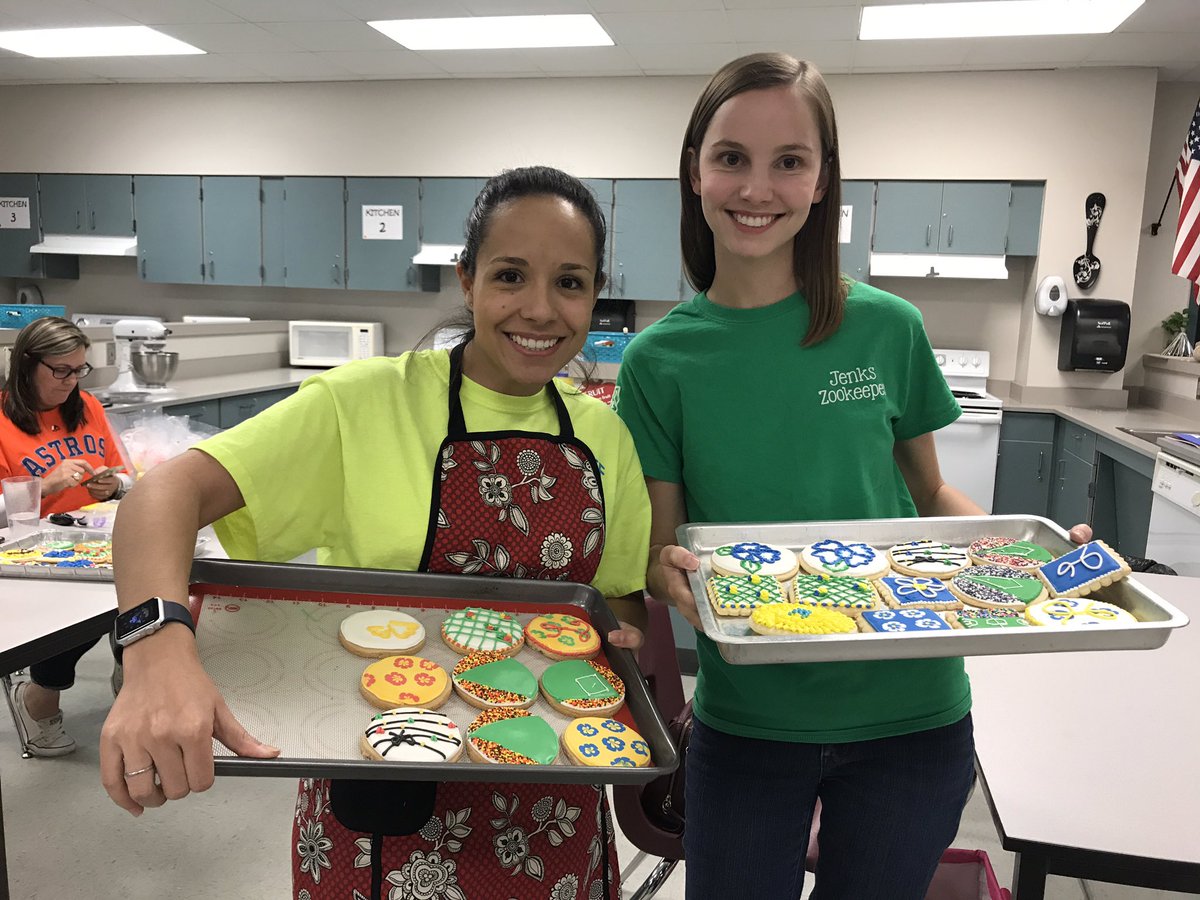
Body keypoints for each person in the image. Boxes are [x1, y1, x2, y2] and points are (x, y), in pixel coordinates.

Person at [99, 166, 652, 899]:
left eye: (570, 283)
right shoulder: (362, 405)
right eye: (510, 275)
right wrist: (155, 648)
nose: (540, 309)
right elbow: (162, 496)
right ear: (467, 279)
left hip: (550, 796)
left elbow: (616, 602)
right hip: (381, 805)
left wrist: (623, 638)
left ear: (594, 293)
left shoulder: (602, 435)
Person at [614, 53, 1091, 899]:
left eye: (789, 161)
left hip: (911, 717)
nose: (757, 188)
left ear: (822, 178)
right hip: (752, 721)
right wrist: (673, 577)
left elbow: (932, 497)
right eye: (732, 158)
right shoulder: (658, 362)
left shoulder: (887, 328)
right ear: (694, 170)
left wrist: (1026, 559)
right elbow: (660, 551)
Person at [2, 316, 133, 756]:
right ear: (27, 364)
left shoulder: (88, 406)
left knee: (145, 601)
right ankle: (38, 697)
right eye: (61, 370)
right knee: (74, 625)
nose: (71, 381)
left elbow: (124, 475)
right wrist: (45, 486)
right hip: (29, 553)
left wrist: (113, 485)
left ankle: (132, 680)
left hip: (96, 536)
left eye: (79, 370)